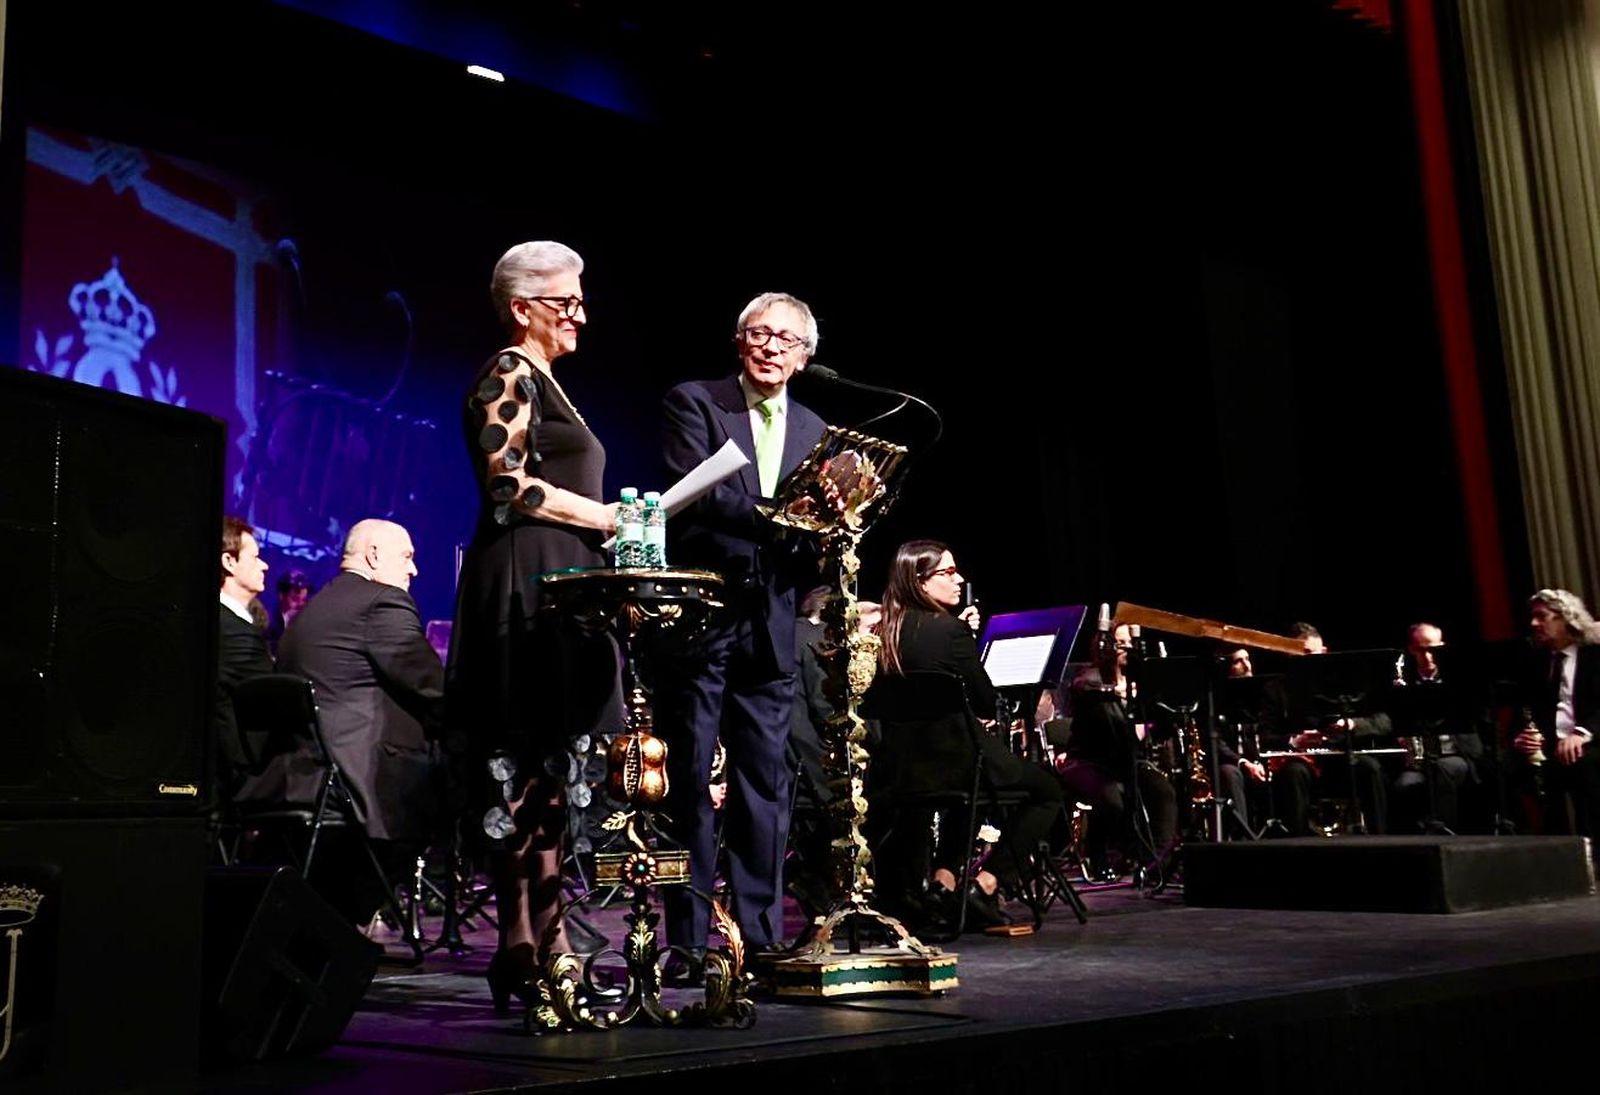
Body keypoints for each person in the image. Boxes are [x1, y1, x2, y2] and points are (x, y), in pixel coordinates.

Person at [444, 240, 622, 1012]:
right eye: (565, 301)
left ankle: (539, 943)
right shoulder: (508, 371)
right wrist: (608, 517)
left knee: (550, 772)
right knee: (523, 765)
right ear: (522, 307)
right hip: (526, 584)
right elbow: (509, 484)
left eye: (582, 300)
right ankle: (531, 943)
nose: (580, 314)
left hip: (563, 585)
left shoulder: (548, 380)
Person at [657, 291, 829, 970]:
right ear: (739, 341)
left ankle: (759, 934)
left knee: (766, 783)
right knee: (689, 779)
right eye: (760, 333)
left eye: (786, 340)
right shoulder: (696, 401)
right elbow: (697, 494)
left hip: (772, 621)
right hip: (701, 618)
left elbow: (815, 531)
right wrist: (780, 519)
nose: (771, 347)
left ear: (804, 357)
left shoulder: (815, 428)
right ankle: (686, 939)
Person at [238, 519, 445, 917]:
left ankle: (339, 921)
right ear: (374, 555)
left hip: (295, 777)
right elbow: (431, 685)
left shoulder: (312, 611)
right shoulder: (381, 602)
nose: (414, 569)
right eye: (407, 557)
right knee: (470, 778)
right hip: (355, 781)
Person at [870, 540, 1064, 929]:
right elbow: (986, 703)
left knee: (968, 796)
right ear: (920, 582)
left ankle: (943, 882)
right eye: (948, 572)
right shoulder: (950, 631)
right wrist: (967, 644)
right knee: (1048, 791)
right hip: (958, 762)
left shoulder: (884, 632)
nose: (959, 579)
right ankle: (987, 883)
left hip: (903, 770)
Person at [1056, 623, 1177, 880]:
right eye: (1120, 643)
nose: (1126, 648)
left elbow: (1154, 723)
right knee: (1113, 799)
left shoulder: (1139, 683)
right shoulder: (1091, 678)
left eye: (1129, 643)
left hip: (1127, 759)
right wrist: (1120, 693)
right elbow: (1083, 687)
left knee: (1162, 791)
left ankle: (1156, 864)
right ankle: (1099, 854)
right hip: (1088, 761)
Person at [1514, 590, 1600, 843]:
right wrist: (1523, 737)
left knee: (1583, 765)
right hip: (1553, 743)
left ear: (1566, 617)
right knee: (1507, 765)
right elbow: (1527, 709)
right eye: (1533, 617)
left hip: (1591, 740)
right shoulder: (1538, 661)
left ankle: (1592, 849)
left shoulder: (1595, 655)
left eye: (1542, 616)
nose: (1533, 623)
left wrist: (1581, 733)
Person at [1383, 623, 1482, 833]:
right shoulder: (1403, 685)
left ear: (1442, 646)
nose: (1428, 657)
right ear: (1411, 649)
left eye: (1433, 649)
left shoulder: (1459, 681)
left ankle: (1445, 834)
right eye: (1421, 650)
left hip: (1457, 756)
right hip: (1420, 763)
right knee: (1403, 785)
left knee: (1443, 769)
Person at [216, 515, 273, 800]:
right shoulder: (232, 631)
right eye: (255, 557)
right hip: (236, 781)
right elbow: (271, 699)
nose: (264, 565)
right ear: (229, 562)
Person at [266, 569, 314, 658]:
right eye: (295, 599)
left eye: (304, 600)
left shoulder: (311, 626)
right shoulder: (269, 627)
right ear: (282, 596)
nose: (301, 604)